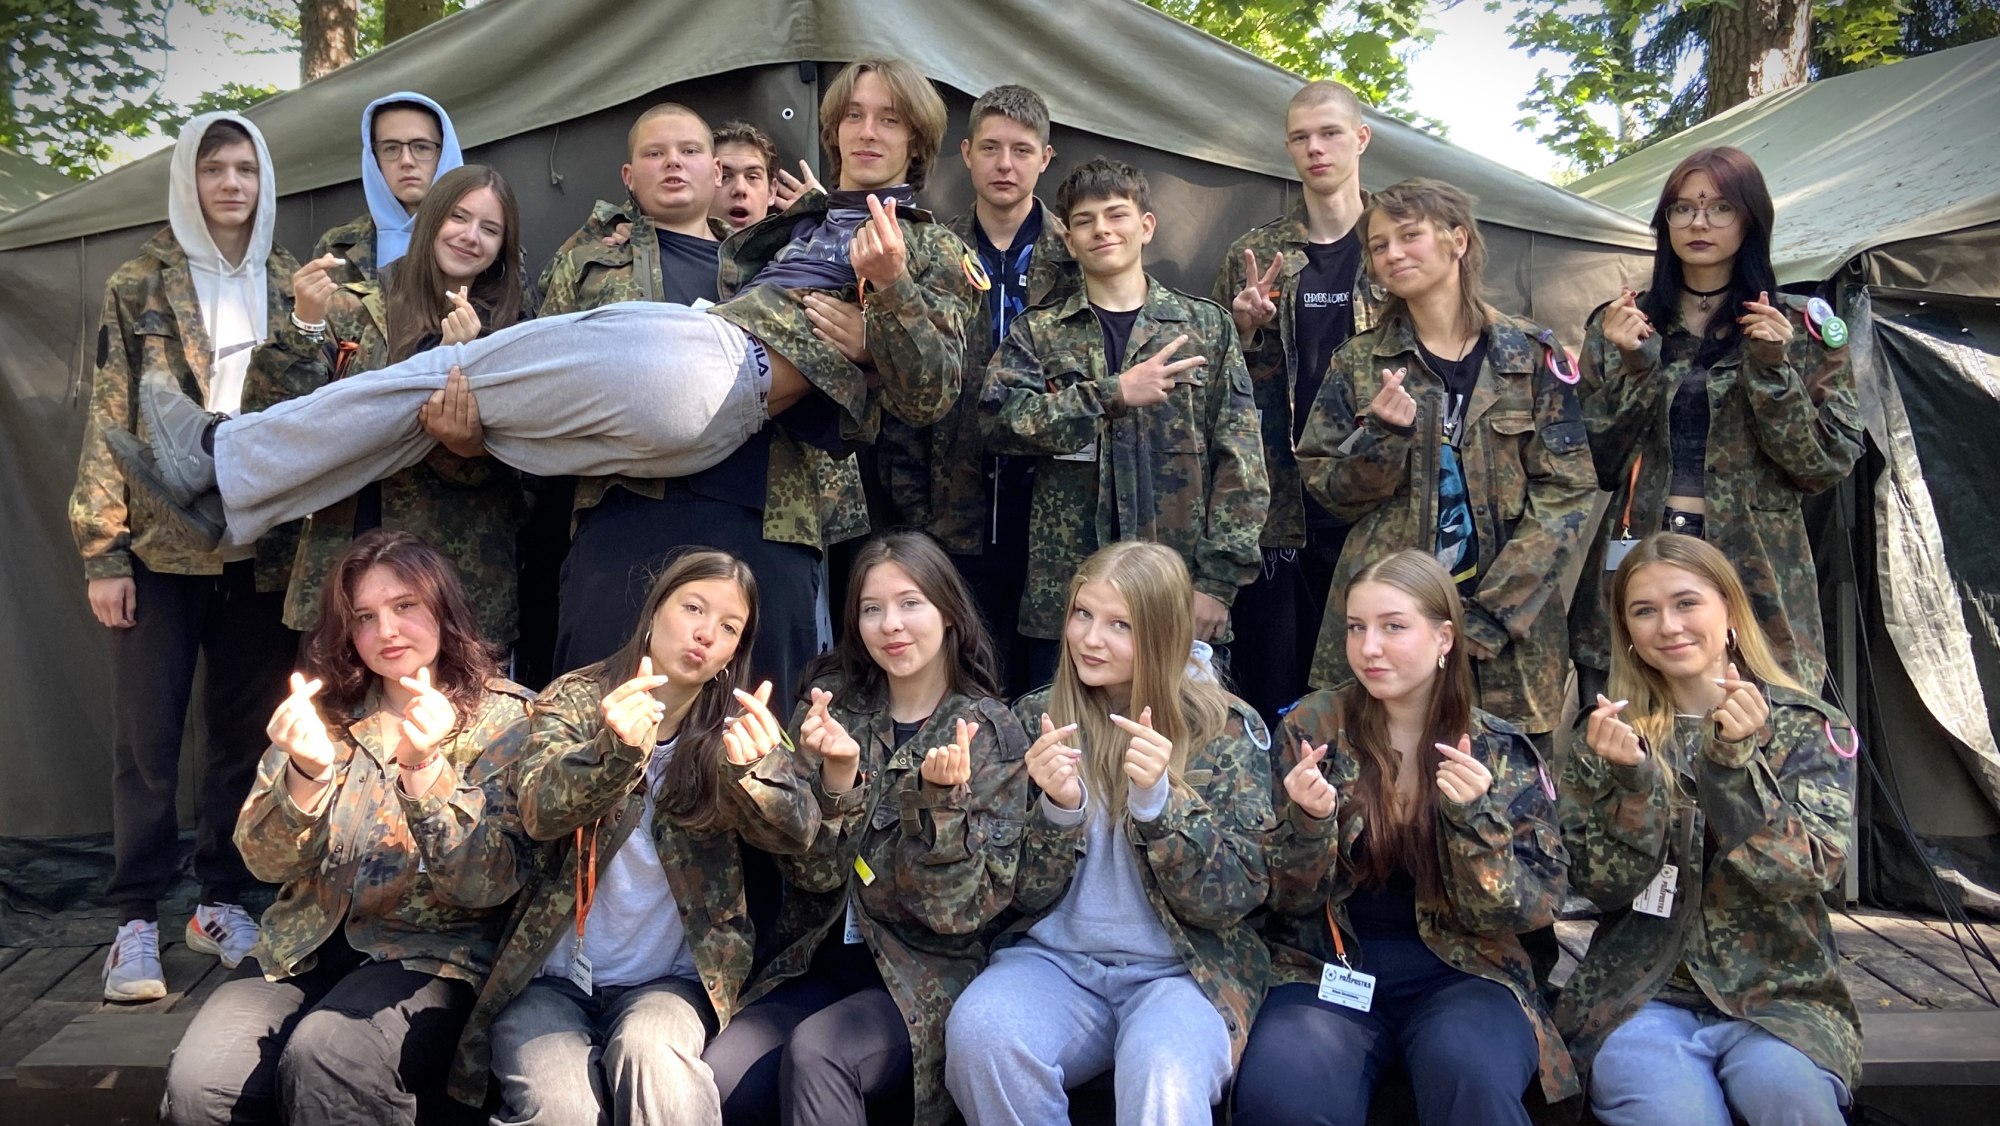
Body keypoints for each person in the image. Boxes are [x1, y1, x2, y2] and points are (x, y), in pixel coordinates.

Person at [119, 59, 977, 565]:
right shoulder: (805, 220)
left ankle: (221, 458)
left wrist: (889, 302)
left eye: (889, 120)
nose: (867, 130)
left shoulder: (928, 244)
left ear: (919, 139)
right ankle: (233, 500)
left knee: (444, 369)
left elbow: (933, 395)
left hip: (720, 377)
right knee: (429, 403)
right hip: (692, 414)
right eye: (853, 115)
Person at [160, 530, 534, 1126]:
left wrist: (424, 769)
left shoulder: (508, 721)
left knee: (329, 1053)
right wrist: (307, 773)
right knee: (201, 1082)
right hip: (302, 946)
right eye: (365, 616)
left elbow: (485, 885)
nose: (387, 630)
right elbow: (264, 863)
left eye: (405, 605)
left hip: (430, 955)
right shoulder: (325, 717)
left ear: (445, 608)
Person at [448, 549, 820, 1124]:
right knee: (560, 1105)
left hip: (671, 982)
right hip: (549, 978)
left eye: (729, 628)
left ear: (734, 652)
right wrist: (615, 753)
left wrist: (757, 773)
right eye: (693, 608)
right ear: (654, 612)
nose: (706, 634)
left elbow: (801, 839)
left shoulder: (738, 726)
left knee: (654, 1060)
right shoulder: (577, 698)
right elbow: (540, 811)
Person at [70, 111, 302, 1000]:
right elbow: (110, 415)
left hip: (263, 550)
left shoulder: (290, 283)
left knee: (246, 732)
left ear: (264, 179)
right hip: (161, 550)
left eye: (245, 168)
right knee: (148, 740)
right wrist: (104, 554)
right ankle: (134, 919)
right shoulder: (140, 282)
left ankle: (220, 899)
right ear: (189, 181)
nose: (231, 184)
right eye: (213, 169)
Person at [1232, 550, 1576, 1126]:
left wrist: (1474, 822)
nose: (1369, 648)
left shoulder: (1497, 749)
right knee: (1285, 1093)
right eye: (1356, 628)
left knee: (1471, 1074)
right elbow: (1279, 899)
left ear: (1444, 638)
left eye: (1393, 627)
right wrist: (1310, 824)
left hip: (1468, 971)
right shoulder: (1313, 729)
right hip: (1326, 966)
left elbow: (1532, 909)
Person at [704, 531, 1031, 1126]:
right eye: (872, 609)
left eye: (910, 604)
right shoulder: (832, 706)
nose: (891, 625)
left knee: (820, 1052)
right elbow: (810, 875)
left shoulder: (989, 732)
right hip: (817, 958)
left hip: (923, 976)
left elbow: (957, 914)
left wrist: (940, 809)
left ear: (948, 612)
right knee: (718, 1076)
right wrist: (836, 783)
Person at [944, 541, 1274, 1126]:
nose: (1091, 639)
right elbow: (1015, 895)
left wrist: (1158, 806)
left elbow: (1235, 896)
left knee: (1162, 1067)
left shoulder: (1222, 727)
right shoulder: (1036, 717)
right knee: (981, 1034)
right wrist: (1058, 811)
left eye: (1120, 625)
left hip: (1184, 970)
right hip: (1057, 962)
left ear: (1164, 634)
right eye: (1082, 614)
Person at [536, 103, 845, 709]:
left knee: (760, 721)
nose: (673, 163)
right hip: (628, 512)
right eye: (655, 153)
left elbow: (838, 373)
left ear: (715, 171)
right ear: (629, 177)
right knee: (602, 710)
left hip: (764, 518)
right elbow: (547, 382)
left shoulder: (777, 262)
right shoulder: (588, 263)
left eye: (689, 151)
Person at [1559, 533, 1860, 1126]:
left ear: (1730, 613)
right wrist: (1635, 787)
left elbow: (1805, 872)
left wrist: (1734, 768)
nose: (1668, 626)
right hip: (1639, 995)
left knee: (1791, 1098)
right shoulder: (1608, 734)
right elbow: (1600, 887)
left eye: (1686, 603)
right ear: (1627, 632)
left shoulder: (1805, 727)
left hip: (1781, 998)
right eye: (1644, 611)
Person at [1295, 178, 1595, 745]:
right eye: (1379, 246)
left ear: (1458, 240)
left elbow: (1568, 491)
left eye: (1409, 236)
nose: (1393, 254)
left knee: (1503, 781)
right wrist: (1384, 436)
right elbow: (1330, 492)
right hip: (1388, 631)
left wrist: (1495, 612)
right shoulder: (1359, 362)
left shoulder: (1529, 354)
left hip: (1508, 639)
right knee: (1380, 774)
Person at [1571, 146, 1861, 706]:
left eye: (1720, 208)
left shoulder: (1798, 329)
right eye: (1682, 208)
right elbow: (1592, 463)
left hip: (1754, 572)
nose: (1698, 223)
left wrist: (1773, 371)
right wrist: (1634, 367)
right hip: (1641, 559)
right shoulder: (1623, 323)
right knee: (1631, 731)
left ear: (1750, 219)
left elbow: (1822, 467)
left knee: (1757, 729)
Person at [982, 158, 1269, 687]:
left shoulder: (1205, 327)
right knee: (1064, 737)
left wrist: (1217, 584)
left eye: (1116, 215)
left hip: (1175, 597)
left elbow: (1242, 464)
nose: (1102, 230)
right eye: (1085, 221)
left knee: (1181, 734)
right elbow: (999, 422)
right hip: (1069, 607)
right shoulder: (1040, 332)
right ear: (1069, 241)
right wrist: (1112, 395)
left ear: (1147, 226)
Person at [249, 164, 530, 650]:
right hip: (345, 554)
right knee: (337, 699)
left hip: (454, 577)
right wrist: (305, 324)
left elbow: (524, 473)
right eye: (458, 217)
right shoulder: (355, 306)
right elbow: (274, 412)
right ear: (431, 219)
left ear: (503, 248)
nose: (470, 236)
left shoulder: (515, 330)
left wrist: (465, 435)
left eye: (490, 229)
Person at [878, 84, 1080, 696]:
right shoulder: (932, 251)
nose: (1004, 165)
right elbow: (901, 390)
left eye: (1022, 151)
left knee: (1050, 694)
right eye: (990, 148)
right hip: (950, 514)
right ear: (966, 154)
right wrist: (915, 514)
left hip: (1056, 519)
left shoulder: (1080, 257)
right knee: (963, 689)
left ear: (1045, 159)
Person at [1212, 79, 1386, 727]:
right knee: (1276, 696)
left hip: (1376, 506)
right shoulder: (1258, 255)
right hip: (1279, 511)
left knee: (1373, 693)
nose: (1315, 149)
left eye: (1330, 133)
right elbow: (1218, 388)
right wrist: (1243, 328)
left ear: (1361, 138)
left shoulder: (1395, 246)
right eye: (1300, 137)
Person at [313, 92, 465, 286]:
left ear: (445, 154)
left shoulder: (474, 240)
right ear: (374, 159)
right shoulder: (338, 246)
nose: (407, 161)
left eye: (421, 147)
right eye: (391, 148)